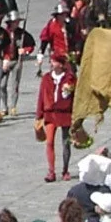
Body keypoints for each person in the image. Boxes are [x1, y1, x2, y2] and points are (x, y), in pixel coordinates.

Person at [36, 52, 76, 183]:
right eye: (51, 61)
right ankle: (51, 171)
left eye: (54, 61)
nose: (51, 64)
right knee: (49, 142)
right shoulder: (46, 78)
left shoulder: (70, 78)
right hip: (50, 113)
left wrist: (76, 115)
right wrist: (39, 115)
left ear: (61, 64)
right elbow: (41, 96)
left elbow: (75, 97)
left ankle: (65, 170)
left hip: (65, 113)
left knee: (66, 143)